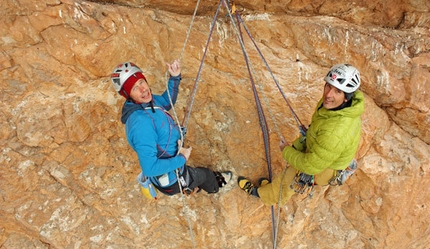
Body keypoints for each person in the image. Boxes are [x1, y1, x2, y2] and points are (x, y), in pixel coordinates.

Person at [237, 63, 364, 205]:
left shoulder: (335, 133)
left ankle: (262, 194)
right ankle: (271, 188)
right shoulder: (340, 106)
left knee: (288, 179)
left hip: (323, 168)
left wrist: (286, 151)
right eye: (328, 86)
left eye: (337, 91)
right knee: (290, 170)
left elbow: (310, 166)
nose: (328, 95)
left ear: (346, 97)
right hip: (323, 153)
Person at [111, 60, 232, 197]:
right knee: (203, 174)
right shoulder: (141, 124)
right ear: (128, 95)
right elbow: (150, 169)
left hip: (172, 161)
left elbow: (166, 102)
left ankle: (192, 186)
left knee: (194, 174)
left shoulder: (146, 103)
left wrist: (175, 77)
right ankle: (214, 187)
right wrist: (182, 158)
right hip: (172, 179)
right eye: (134, 88)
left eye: (141, 82)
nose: (143, 89)